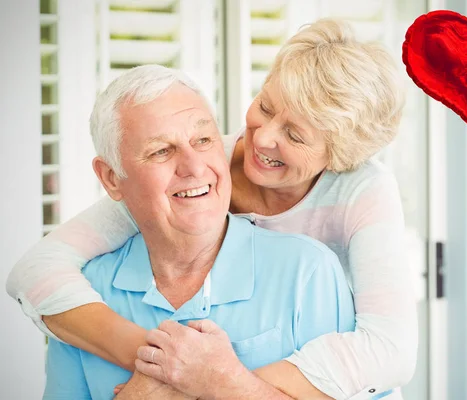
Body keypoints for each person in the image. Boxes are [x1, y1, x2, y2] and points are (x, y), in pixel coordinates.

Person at [7, 18, 418, 399]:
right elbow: (36, 269)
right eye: (267, 107)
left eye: (294, 134)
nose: (262, 138)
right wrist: (165, 363)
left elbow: (389, 351)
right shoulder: (198, 171)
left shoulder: (354, 203)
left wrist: (207, 383)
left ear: (339, 156)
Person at [42, 65, 355, 400]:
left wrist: (227, 384)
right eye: (161, 150)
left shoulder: (307, 271)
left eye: (203, 140)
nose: (194, 167)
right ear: (111, 178)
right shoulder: (85, 296)